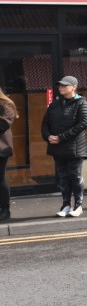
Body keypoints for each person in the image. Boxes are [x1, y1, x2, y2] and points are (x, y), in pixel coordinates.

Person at [40, 76, 87, 218]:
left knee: (75, 176)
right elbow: (45, 124)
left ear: (73, 87)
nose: (61, 87)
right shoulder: (54, 105)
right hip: (58, 148)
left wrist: (61, 137)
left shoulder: (81, 103)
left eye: (64, 85)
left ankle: (78, 205)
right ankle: (66, 205)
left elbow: (83, 123)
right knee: (63, 177)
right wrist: (48, 136)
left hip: (75, 148)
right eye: (60, 85)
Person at [0, 86, 17, 222]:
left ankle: (5, 210)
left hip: (1, 149)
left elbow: (4, 124)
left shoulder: (6, 104)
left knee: (1, 179)